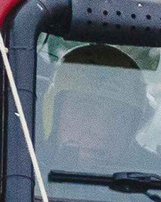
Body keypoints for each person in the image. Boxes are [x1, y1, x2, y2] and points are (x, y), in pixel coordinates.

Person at [38, 44, 154, 173]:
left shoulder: (160, 179)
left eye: (120, 117)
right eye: (86, 110)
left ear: (133, 129)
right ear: (53, 113)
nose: (102, 131)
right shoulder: (23, 166)